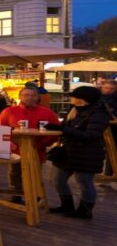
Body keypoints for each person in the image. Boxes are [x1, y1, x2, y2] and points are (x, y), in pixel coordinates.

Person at [44, 86, 110, 219]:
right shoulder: (74, 110)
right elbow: (71, 129)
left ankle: (85, 211)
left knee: (84, 182)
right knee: (58, 180)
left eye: (73, 96)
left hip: (87, 154)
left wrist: (63, 130)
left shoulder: (98, 114)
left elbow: (91, 135)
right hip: (68, 152)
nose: (70, 98)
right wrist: (60, 129)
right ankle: (67, 206)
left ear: (83, 100)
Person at [0, 87, 60, 198]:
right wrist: (9, 144)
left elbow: (56, 131)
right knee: (15, 173)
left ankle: (35, 195)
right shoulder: (9, 112)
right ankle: (15, 195)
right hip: (15, 150)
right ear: (20, 97)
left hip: (37, 150)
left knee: (35, 173)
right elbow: (0, 129)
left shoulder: (47, 113)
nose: (30, 97)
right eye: (26, 95)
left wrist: (43, 144)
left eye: (33, 95)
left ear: (38, 97)